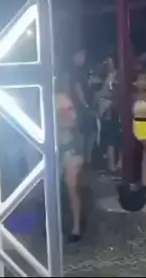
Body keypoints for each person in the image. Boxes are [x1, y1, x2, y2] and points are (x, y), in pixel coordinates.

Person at [56, 92, 85, 242]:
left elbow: (72, 121)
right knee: (53, 189)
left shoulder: (64, 100)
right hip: (56, 149)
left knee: (72, 187)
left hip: (71, 148)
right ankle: (56, 224)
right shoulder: (49, 99)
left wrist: (60, 118)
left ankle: (76, 228)